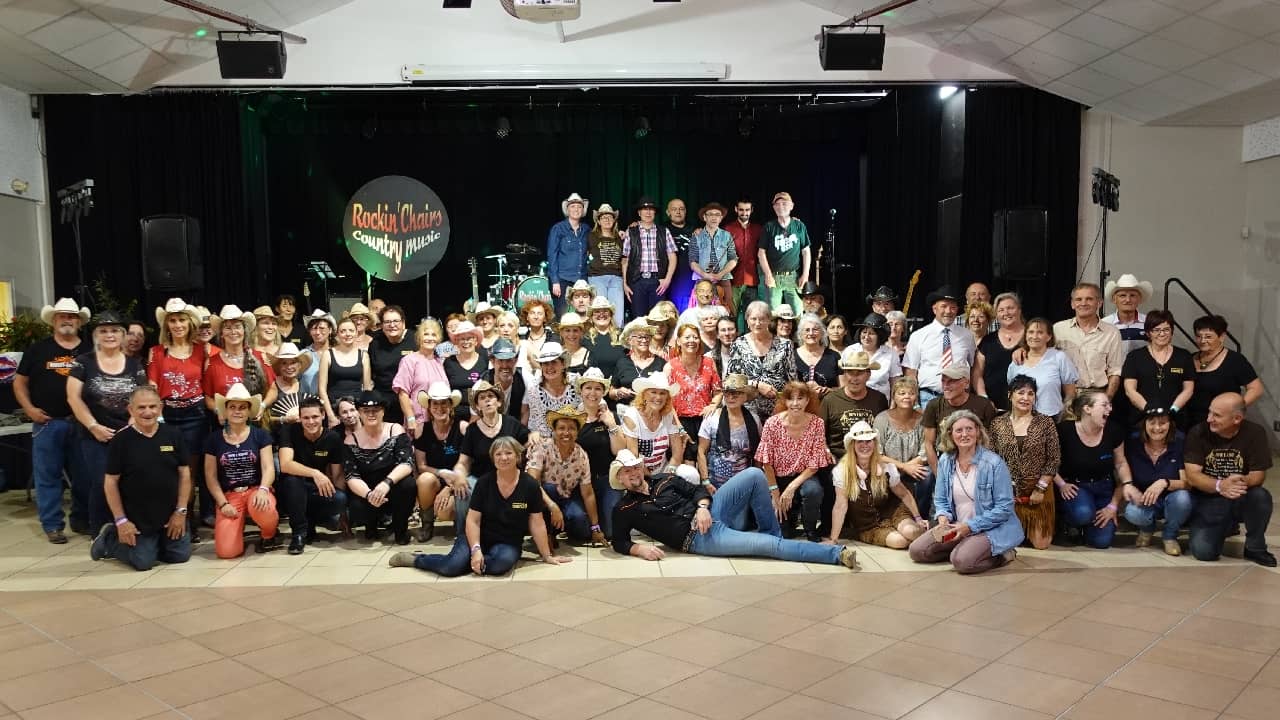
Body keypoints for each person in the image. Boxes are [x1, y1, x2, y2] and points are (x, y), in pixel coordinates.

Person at [610, 450, 857, 568]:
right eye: (626, 472)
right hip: (699, 538)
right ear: (620, 479)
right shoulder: (624, 508)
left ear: (641, 468)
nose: (632, 474)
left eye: (634, 467)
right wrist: (639, 549)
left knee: (752, 474)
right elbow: (619, 541)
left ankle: (772, 532)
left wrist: (703, 507)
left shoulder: (664, 478)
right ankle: (836, 555)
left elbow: (697, 491)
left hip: (710, 513)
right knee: (772, 549)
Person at [388, 437, 571, 576]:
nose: (503, 458)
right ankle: (417, 559)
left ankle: (470, 562)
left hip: (507, 542)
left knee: (501, 565)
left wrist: (546, 556)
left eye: (508, 453)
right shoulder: (484, 483)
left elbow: (537, 522)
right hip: (476, 536)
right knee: (451, 568)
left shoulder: (530, 484)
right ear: (493, 458)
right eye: (498, 454)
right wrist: (476, 550)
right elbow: (473, 520)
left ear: (518, 456)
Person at [89, 386, 192, 570]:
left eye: (152, 406)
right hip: (137, 519)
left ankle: (154, 544)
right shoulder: (121, 441)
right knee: (143, 562)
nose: (148, 412)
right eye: (141, 407)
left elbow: (184, 474)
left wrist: (181, 511)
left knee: (180, 556)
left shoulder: (173, 434)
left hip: (170, 515)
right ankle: (110, 539)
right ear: (131, 410)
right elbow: (110, 482)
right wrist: (121, 520)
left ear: (160, 408)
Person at [908, 410, 1023, 574]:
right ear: (950, 434)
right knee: (918, 551)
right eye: (959, 430)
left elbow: (1004, 509)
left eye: (969, 429)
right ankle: (965, 548)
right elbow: (940, 500)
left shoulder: (994, 463)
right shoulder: (946, 461)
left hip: (988, 528)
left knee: (962, 563)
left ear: (978, 431)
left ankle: (1003, 555)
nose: (964, 434)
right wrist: (943, 518)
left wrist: (969, 526)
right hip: (956, 525)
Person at [67, 309, 150, 534]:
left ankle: (128, 528)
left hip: (129, 433)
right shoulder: (83, 363)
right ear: (96, 335)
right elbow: (73, 397)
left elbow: (143, 398)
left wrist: (132, 424)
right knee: (102, 483)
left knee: (129, 482)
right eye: (104, 331)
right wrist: (93, 426)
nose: (109, 335)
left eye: (115, 330)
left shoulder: (135, 365)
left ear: (123, 334)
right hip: (95, 435)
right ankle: (101, 532)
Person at [16, 298, 89, 542]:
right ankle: (52, 525)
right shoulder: (38, 350)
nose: (67, 320)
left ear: (79, 321)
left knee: (84, 476)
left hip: (82, 423)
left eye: (71, 316)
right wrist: (29, 409)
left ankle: (81, 520)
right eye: (62, 316)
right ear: (53, 320)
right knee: (47, 476)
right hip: (48, 422)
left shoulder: (90, 349)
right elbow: (20, 381)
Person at [1184, 392, 1274, 566]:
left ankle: (1255, 547)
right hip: (1210, 497)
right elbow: (1192, 475)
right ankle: (1225, 526)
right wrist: (1220, 485)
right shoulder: (1198, 432)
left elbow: (1258, 475)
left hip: (1241, 493)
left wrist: (1238, 483)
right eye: (1209, 412)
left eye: (1216, 415)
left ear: (1237, 418)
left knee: (1261, 496)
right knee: (1204, 552)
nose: (1209, 419)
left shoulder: (1255, 433)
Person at [204, 384, 280, 558]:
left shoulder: (260, 435)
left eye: (242, 407)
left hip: (255, 489)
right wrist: (223, 503)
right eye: (232, 407)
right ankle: (237, 531)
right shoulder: (213, 439)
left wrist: (263, 489)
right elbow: (210, 475)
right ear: (226, 410)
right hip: (230, 495)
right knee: (227, 552)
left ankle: (268, 535)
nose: (237, 411)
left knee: (263, 507)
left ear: (248, 411)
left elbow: (269, 468)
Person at [439, 381, 531, 525]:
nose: (487, 400)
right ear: (477, 406)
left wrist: (535, 436)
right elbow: (463, 462)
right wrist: (460, 476)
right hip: (480, 480)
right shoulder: (472, 430)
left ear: (499, 402)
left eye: (490, 396)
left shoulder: (511, 423)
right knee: (464, 488)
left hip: (508, 478)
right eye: (482, 398)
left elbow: (528, 442)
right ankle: (464, 534)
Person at [147, 300, 208, 513]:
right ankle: (167, 512)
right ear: (166, 325)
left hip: (195, 414)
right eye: (172, 320)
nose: (177, 324)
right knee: (166, 465)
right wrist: (158, 416)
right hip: (167, 415)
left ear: (189, 323)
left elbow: (206, 383)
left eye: (181, 319)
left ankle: (187, 514)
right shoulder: (156, 352)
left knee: (189, 469)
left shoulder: (201, 351)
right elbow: (152, 385)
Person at [828, 422, 927, 548]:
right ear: (852, 445)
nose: (865, 445)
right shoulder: (842, 471)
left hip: (894, 512)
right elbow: (840, 506)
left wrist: (918, 518)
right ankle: (922, 543)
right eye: (860, 442)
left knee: (911, 531)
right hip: (868, 526)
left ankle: (936, 539)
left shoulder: (886, 467)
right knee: (899, 541)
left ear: (874, 444)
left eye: (869, 441)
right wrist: (833, 539)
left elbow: (904, 494)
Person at [989, 375, 1061, 549]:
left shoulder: (1045, 422)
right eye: (1021, 393)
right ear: (1010, 395)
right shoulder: (997, 423)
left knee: (1041, 544)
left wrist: (1040, 489)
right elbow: (991, 460)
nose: (1026, 398)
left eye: (1031, 394)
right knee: (1009, 542)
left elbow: (1053, 460)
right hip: (1008, 492)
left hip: (1038, 491)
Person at [755, 381, 832, 542]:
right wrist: (775, 492)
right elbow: (766, 461)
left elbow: (815, 463)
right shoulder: (772, 423)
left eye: (800, 398)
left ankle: (810, 529)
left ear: (808, 400)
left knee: (813, 490)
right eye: (791, 399)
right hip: (777, 479)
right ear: (785, 401)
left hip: (803, 476)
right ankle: (789, 520)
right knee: (783, 534)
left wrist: (792, 487)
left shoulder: (817, 424)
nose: (795, 403)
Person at [1054, 391, 1131, 549]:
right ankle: (1070, 522)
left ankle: (1089, 528)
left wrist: (1113, 506)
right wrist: (1061, 484)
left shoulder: (1114, 430)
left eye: (1109, 405)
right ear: (1087, 409)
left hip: (1104, 487)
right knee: (1083, 513)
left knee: (1101, 542)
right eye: (1104, 405)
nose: (1109, 409)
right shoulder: (1064, 430)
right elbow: (1046, 461)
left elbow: (1121, 464)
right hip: (1076, 487)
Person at [277, 396, 349, 555]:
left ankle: (311, 521)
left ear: (323, 415)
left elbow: (337, 476)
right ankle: (299, 535)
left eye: (315, 417)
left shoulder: (333, 438)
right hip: (290, 489)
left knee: (340, 499)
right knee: (293, 482)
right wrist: (315, 473)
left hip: (316, 489)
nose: (311, 422)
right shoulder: (289, 431)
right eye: (306, 418)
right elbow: (285, 464)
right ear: (300, 418)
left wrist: (343, 513)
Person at [343, 391, 416, 544]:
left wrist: (387, 483)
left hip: (392, 485)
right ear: (359, 413)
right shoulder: (351, 440)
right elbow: (351, 476)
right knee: (355, 504)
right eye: (365, 411)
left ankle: (400, 528)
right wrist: (369, 495)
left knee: (408, 485)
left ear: (383, 411)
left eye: (375, 410)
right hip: (367, 491)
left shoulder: (395, 430)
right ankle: (371, 525)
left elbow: (407, 463)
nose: (371, 414)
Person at [526, 405, 606, 546]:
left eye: (571, 428)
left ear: (577, 432)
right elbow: (532, 483)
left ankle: (560, 529)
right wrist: (552, 506)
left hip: (566, 497)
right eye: (561, 428)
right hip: (542, 499)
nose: (566, 432)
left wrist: (595, 527)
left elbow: (588, 493)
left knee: (582, 529)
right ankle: (545, 533)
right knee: (550, 488)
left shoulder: (581, 456)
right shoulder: (542, 447)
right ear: (554, 430)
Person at [1123, 407, 1192, 557]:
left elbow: (1188, 483)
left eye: (1162, 423)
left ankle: (1170, 536)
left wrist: (1164, 482)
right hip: (1145, 498)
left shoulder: (1180, 442)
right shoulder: (1133, 443)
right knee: (1131, 512)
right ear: (1144, 424)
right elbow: (1122, 469)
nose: (1157, 428)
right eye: (1152, 422)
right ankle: (1147, 529)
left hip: (1172, 497)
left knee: (1183, 499)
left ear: (1170, 424)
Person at [1184, 314, 1264, 429]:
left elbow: (1256, 389)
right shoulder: (1189, 359)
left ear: (1221, 337)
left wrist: (1233, 411)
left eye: (1208, 336)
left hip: (1220, 424)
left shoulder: (1235, 360)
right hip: (1190, 424)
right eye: (1198, 336)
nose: (1202, 340)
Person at [697, 374, 762, 510]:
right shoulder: (712, 418)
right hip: (714, 484)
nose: (731, 397)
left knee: (739, 525)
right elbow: (701, 452)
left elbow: (757, 454)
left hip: (742, 485)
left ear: (745, 397)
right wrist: (705, 481)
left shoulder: (754, 420)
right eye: (727, 393)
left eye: (736, 393)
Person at [903, 285, 976, 406]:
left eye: (953, 307)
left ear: (957, 310)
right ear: (934, 308)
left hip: (960, 398)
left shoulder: (967, 336)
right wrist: (915, 404)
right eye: (944, 306)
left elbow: (973, 368)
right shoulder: (918, 336)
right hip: (928, 398)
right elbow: (911, 372)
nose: (948, 311)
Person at [1121, 310, 1195, 428]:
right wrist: (1149, 410)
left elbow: (1188, 389)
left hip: (1176, 420)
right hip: (1142, 419)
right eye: (1156, 330)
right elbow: (1130, 390)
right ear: (1148, 333)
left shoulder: (1184, 356)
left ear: (1171, 331)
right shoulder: (1135, 356)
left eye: (1166, 329)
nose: (1162, 334)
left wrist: (1172, 410)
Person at [921, 363, 998, 478]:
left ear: (966, 383)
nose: (946, 386)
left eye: (951, 381)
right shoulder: (934, 405)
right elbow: (928, 444)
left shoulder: (983, 405)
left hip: (977, 462)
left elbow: (991, 442)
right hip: (947, 461)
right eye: (943, 381)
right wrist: (940, 476)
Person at [411, 382, 466, 542]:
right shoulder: (422, 429)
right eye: (435, 403)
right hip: (435, 477)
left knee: (444, 512)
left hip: (459, 478)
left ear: (451, 405)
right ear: (429, 406)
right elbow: (421, 466)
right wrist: (441, 472)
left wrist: (449, 487)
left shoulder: (462, 427)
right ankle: (427, 524)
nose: (439, 408)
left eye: (444, 403)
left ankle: (461, 522)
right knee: (424, 479)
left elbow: (468, 462)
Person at [575, 369, 625, 538]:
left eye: (597, 388)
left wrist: (611, 425)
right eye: (588, 388)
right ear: (581, 391)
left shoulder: (612, 417)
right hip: (580, 483)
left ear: (603, 392)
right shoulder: (572, 419)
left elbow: (618, 451)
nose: (592, 393)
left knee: (610, 531)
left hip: (607, 479)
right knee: (581, 529)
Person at [204, 305, 277, 420]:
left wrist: (262, 406)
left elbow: (273, 390)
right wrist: (219, 411)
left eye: (237, 327)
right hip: (225, 425)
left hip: (255, 423)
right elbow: (208, 397)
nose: (233, 332)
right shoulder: (212, 363)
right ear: (222, 333)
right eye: (228, 328)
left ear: (244, 331)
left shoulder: (259, 357)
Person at [1051, 283, 1123, 400]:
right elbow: (1042, 357)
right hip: (1063, 395)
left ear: (1099, 303)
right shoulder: (1058, 329)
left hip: (1096, 395)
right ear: (1072, 304)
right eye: (1078, 299)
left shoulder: (1112, 332)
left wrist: (1106, 399)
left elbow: (1115, 371)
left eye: (1089, 299)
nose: (1083, 303)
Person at [728, 300, 797, 421]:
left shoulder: (785, 345)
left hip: (778, 411)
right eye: (753, 319)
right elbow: (732, 379)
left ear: (769, 320)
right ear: (747, 320)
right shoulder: (738, 344)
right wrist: (757, 385)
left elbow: (792, 380)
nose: (757, 323)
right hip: (747, 411)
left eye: (762, 319)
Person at [819, 348, 890, 463]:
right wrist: (826, 451)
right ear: (844, 374)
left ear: (868, 374)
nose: (854, 378)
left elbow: (885, 433)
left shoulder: (879, 399)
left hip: (871, 459)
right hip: (839, 459)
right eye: (850, 372)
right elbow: (819, 433)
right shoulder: (830, 400)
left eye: (860, 373)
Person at [874, 376, 930, 513]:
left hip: (915, 465)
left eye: (911, 393)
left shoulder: (923, 420)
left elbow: (926, 451)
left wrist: (911, 466)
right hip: (888, 465)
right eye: (902, 393)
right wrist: (904, 467)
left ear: (916, 397)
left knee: (928, 475)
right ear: (893, 396)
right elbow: (877, 453)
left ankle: (921, 516)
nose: (907, 397)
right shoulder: (881, 419)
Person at [1006, 317, 1078, 419]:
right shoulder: (1017, 361)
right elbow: (1012, 392)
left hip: (1053, 417)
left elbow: (1070, 392)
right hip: (1022, 419)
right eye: (1030, 332)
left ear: (1048, 337)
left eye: (1040, 332)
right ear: (1025, 335)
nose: (1034, 336)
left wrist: (1066, 414)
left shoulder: (1059, 357)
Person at [668, 323, 722, 460]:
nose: (691, 340)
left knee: (707, 463)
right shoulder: (670, 367)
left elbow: (718, 391)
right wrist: (679, 428)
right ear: (678, 341)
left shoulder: (709, 362)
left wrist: (713, 405)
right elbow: (667, 403)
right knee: (688, 468)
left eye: (695, 337)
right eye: (687, 337)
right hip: (680, 422)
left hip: (705, 420)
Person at [621, 195, 678, 319]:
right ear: (639, 212)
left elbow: (672, 257)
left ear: (655, 213)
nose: (648, 212)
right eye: (644, 209)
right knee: (638, 319)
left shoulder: (664, 231)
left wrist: (667, 279)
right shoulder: (631, 231)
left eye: (651, 209)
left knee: (657, 319)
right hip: (637, 281)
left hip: (658, 281)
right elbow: (625, 259)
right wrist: (625, 283)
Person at [620, 370, 687, 474]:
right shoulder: (632, 416)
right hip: (639, 474)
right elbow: (634, 458)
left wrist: (667, 477)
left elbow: (677, 455)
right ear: (644, 395)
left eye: (662, 393)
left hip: (665, 471)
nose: (658, 397)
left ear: (667, 398)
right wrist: (652, 481)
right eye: (653, 392)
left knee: (689, 473)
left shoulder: (668, 416)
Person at [393, 317, 449, 438]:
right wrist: (410, 418)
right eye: (426, 334)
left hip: (439, 422)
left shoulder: (440, 362)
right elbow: (402, 393)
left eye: (434, 334)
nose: (430, 338)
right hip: (418, 422)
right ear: (419, 338)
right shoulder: (409, 360)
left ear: (438, 339)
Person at [757, 191, 810, 315]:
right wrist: (768, 275)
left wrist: (805, 274)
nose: (781, 207)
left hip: (793, 277)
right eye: (778, 204)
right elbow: (761, 253)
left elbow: (806, 251)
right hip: (774, 276)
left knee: (798, 312)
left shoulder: (799, 226)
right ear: (774, 207)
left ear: (791, 206)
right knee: (772, 314)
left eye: (784, 204)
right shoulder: (769, 227)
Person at [973, 292, 1025, 412]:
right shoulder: (987, 341)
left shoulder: (1031, 337)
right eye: (1001, 310)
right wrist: (984, 399)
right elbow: (976, 375)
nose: (1006, 313)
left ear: (1019, 310)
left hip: (1024, 408)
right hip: (992, 408)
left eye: (1010, 308)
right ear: (996, 315)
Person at [366, 305, 416, 423]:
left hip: (411, 400)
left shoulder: (415, 339)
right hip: (384, 402)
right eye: (387, 322)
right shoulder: (375, 344)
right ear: (382, 325)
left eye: (395, 321)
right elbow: (371, 375)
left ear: (403, 323)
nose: (392, 325)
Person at [318, 317, 370, 427]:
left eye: (351, 330)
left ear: (356, 333)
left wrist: (364, 413)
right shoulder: (328, 354)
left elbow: (367, 389)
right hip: (334, 410)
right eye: (343, 331)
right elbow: (322, 389)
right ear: (337, 334)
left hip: (357, 411)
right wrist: (331, 416)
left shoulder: (363, 355)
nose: (347, 334)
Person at [688, 202, 737, 315]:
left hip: (723, 279)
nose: (714, 217)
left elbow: (733, 259)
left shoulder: (727, 235)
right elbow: (692, 261)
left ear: (721, 218)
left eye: (717, 214)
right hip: (702, 279)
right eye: (710, 214)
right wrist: (705, 275)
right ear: (704, 217)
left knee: (728, 311)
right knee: (701, 313)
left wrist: (721, 274)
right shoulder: (696, 236)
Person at [523, 342, 580, 437]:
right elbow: (538, 426)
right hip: (544, 440)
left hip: (575, 437)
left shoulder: (576, 381)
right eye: (545, 363)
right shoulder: (534, 388)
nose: (549, 367)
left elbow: (593, 398)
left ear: (563, 364)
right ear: (541, 366)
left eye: (554, 362)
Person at [547, 192, 590, 315]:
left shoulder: (586, 229)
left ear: (583, 210)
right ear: (567, 209)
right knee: (563, 316)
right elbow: (552, 255)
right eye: (572, 206)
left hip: (581, 280)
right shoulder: (558, 229)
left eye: (579, 206)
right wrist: (555, 281)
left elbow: (601, 236)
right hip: (562, 279)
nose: (576, 209)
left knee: (583, 316)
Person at [724, 198, 761, 332]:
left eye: (747, 210)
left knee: (751, 317)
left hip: (752, 280)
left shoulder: (758, 229)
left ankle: (749, 347)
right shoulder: (728, 229)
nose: (744, 213)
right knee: (731, 316)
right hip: (733, 280)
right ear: (736, 210)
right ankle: (731, 347)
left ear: (751, 210)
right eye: (741, 210)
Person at [587, 203, 625, 327]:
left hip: (616, 278)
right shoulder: (591, 236)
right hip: (597, 278)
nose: (607, 220)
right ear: (598, 220)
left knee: (617, 313)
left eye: (610, 217)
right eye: (603, 217)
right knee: (599, 312)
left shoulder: (620, 237)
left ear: (614, 220)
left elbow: (625, 259)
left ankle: (617, 342)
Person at [611, 319, 667, 403]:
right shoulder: (622, 363)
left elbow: (667, 392)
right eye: (640, 337)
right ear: (630, 340)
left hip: (652, 411)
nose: (644, 340)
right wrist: (618, 392)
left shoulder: (660, 363)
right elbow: (611, 391)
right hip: (626, 411)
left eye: (647, 337)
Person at [443, 320, 489, 419]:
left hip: (481, 413)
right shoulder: (449, 362)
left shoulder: (485, 359)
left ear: (476, 341)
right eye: (462, 339)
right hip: (454, 415)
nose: (466, 342)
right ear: (456, 342)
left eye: (469, 338)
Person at [849, 312, 902, 398]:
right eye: (864, 332)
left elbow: (895, 385)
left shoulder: (891, 354)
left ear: (880, 336)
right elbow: (843, 381)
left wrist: (892, 407)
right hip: (853, 403)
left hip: (881, 404)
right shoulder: (850, 351)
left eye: (871, 333)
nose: (866, 337)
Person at [1102, 273, 1152, 356]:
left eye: (1132, 295)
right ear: (1115, 299)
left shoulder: (1150, 323)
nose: (1128, 300)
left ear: (1139, 299)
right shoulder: (1104, 324)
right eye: (1122, 295)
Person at [266, 343, 313, 429]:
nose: (289, 367)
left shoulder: (304, 385)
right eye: (284, 363)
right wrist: (284, 419)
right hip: (278, 434)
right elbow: (265, 417)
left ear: (299, 365)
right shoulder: (272, 385)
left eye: (293, 362)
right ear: (279, 366)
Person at [794, 313, 840, 398]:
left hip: (828, 406)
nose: (811, 333)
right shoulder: (791, 357)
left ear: (822, 332)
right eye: (807, 330)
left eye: (815, 329)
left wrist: (830, 391)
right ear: (800, 334)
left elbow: (844, 388)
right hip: (799, 408)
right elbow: (785, 388)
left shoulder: (834, 356)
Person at [583, 296, 625, 380]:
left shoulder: (622, 335)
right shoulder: (585, 338)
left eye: (605, 311)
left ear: (611, 314)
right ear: (591, 316)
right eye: (597, 311)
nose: (601, 314)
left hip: (618, 388)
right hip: (594, 387)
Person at [483, 338, 526, 418]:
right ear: (492, 361)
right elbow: (477, 416)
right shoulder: (482, 382)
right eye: (500, 360)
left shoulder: (524, 379)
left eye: (509, 360)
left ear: (515, 361)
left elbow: (525, 413)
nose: (505, 365)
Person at [300, 309, 335, 396]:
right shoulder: (303, 355)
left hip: (336, 402)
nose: (317, 332)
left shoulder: (338, 353)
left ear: (330, 330)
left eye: (322, 328)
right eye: (314, 329)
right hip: (310, 405)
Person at [519, 300, 557, 379]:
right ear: (527, 317)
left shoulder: (554, 339)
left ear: (545, 318)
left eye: (539, 313)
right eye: (532, 313)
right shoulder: (520, 339)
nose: (536, 317)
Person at [556, 312, 592, 380]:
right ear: (561, 333)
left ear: (581, 333)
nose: (571, 334)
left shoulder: (590, 355)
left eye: (575, 330)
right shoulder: (555, 352)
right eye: (567, 330)